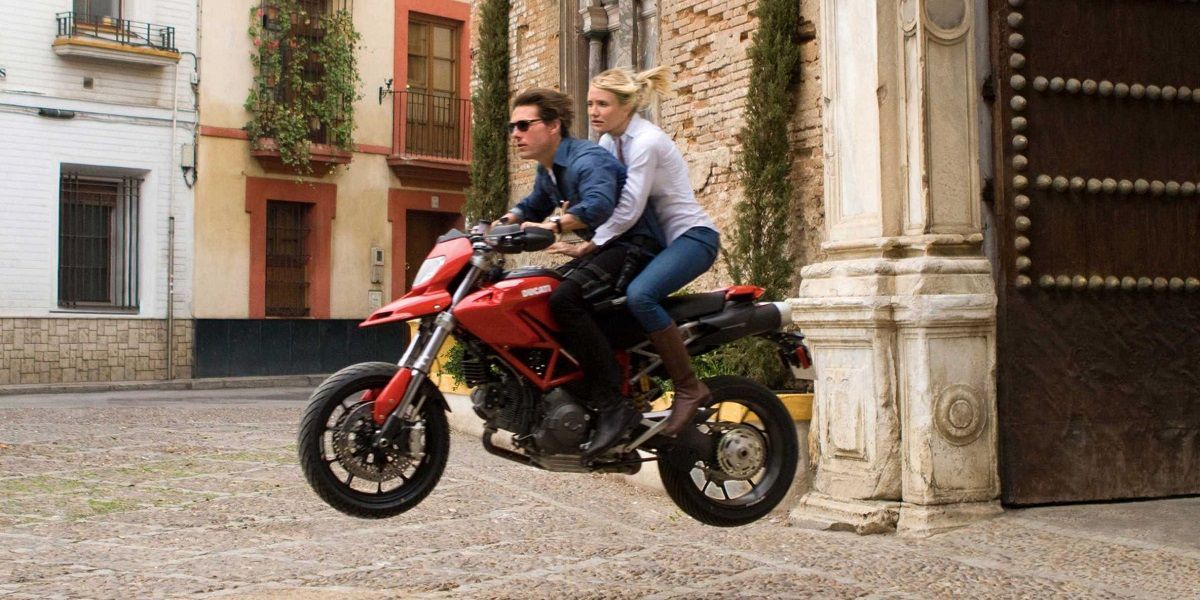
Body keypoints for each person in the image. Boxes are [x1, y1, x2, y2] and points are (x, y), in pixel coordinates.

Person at [552, 67, 720, 437]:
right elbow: (604, 197)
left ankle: (690, 388)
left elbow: (628, 207)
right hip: (657, 241)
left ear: (627, 106)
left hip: (691, 237)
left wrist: (590, 244)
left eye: (603, 104)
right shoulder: (610, 143)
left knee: (640, 296)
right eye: (590, 103)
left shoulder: (646, 141)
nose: (593, 111)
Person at [497, 88, 664, 459]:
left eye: (524, 125)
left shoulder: (587, 159)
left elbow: (599, 203)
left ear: (554, 126)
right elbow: (532, 204)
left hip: (635, 245)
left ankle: (612, 405)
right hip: (609, 249)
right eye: (512, 126)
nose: (515, 134)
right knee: (539, 293)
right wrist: (501, 224)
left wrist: (554, 226)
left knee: (564, 299)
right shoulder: (551, 170)